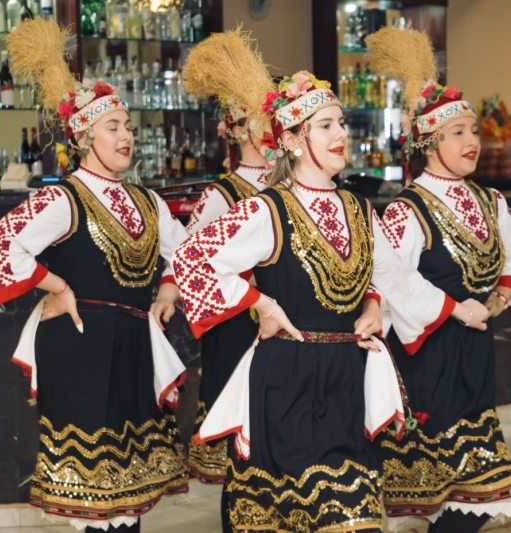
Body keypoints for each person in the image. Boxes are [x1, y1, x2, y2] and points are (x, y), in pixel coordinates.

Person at [173, 70, 474, 533]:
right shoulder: (267, 208)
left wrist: (374, 305)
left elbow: (390, 275)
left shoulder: (359, 208)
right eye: (326, 125)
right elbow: (192, 258)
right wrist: (261, 304)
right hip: (286, 381)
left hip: (346, 379)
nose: (341, 134)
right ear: (293, 140)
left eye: (342, 123)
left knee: (355, 517)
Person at [0, 20, 190, 532]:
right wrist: (57, 286)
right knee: (92, 498)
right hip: (79, 344)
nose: (126, 135)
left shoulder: (147, 200)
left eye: (128, 126)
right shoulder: (63, 197)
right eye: (113, 126)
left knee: (129, 494)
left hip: (132, 345)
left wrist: (167, 288)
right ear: (85, 135)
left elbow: (187, 252)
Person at [366, 27, 511, 533]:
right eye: (457, 133)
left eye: (474, 131)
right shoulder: (408, 209)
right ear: (429, 142)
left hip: (474, 355)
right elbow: (389, 277)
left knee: (472, 495)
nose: (472, 142)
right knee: (453, 495)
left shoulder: (489, 200)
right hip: (428, 359)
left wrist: (498, 301)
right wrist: (454, 308)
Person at [180, 28, 273, 532]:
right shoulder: (220, 196)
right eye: (260, 120)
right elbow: (191, 271)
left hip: (287, 336)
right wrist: (251, 299)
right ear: (239, 129)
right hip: (237, 334)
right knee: (242, 457)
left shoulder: (291, 189)